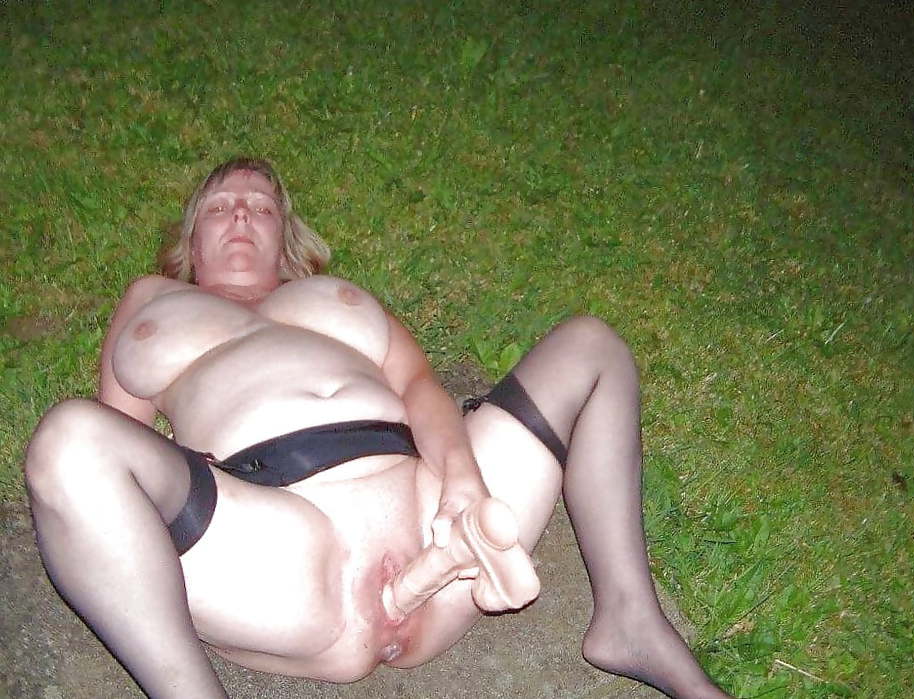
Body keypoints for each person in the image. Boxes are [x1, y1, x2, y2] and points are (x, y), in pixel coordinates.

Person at [24, 157, 732, 699]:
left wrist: (461, 481)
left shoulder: (333, 296)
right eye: (220, 206)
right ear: (193, 237)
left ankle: (630, 618)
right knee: (70, 440)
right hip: (277, 549)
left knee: (590, 345)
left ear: (284, 236)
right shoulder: (153, 299)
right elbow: (124, 455)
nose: (241, 215)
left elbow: (421, 387)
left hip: (431, 517)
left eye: (262, 207)